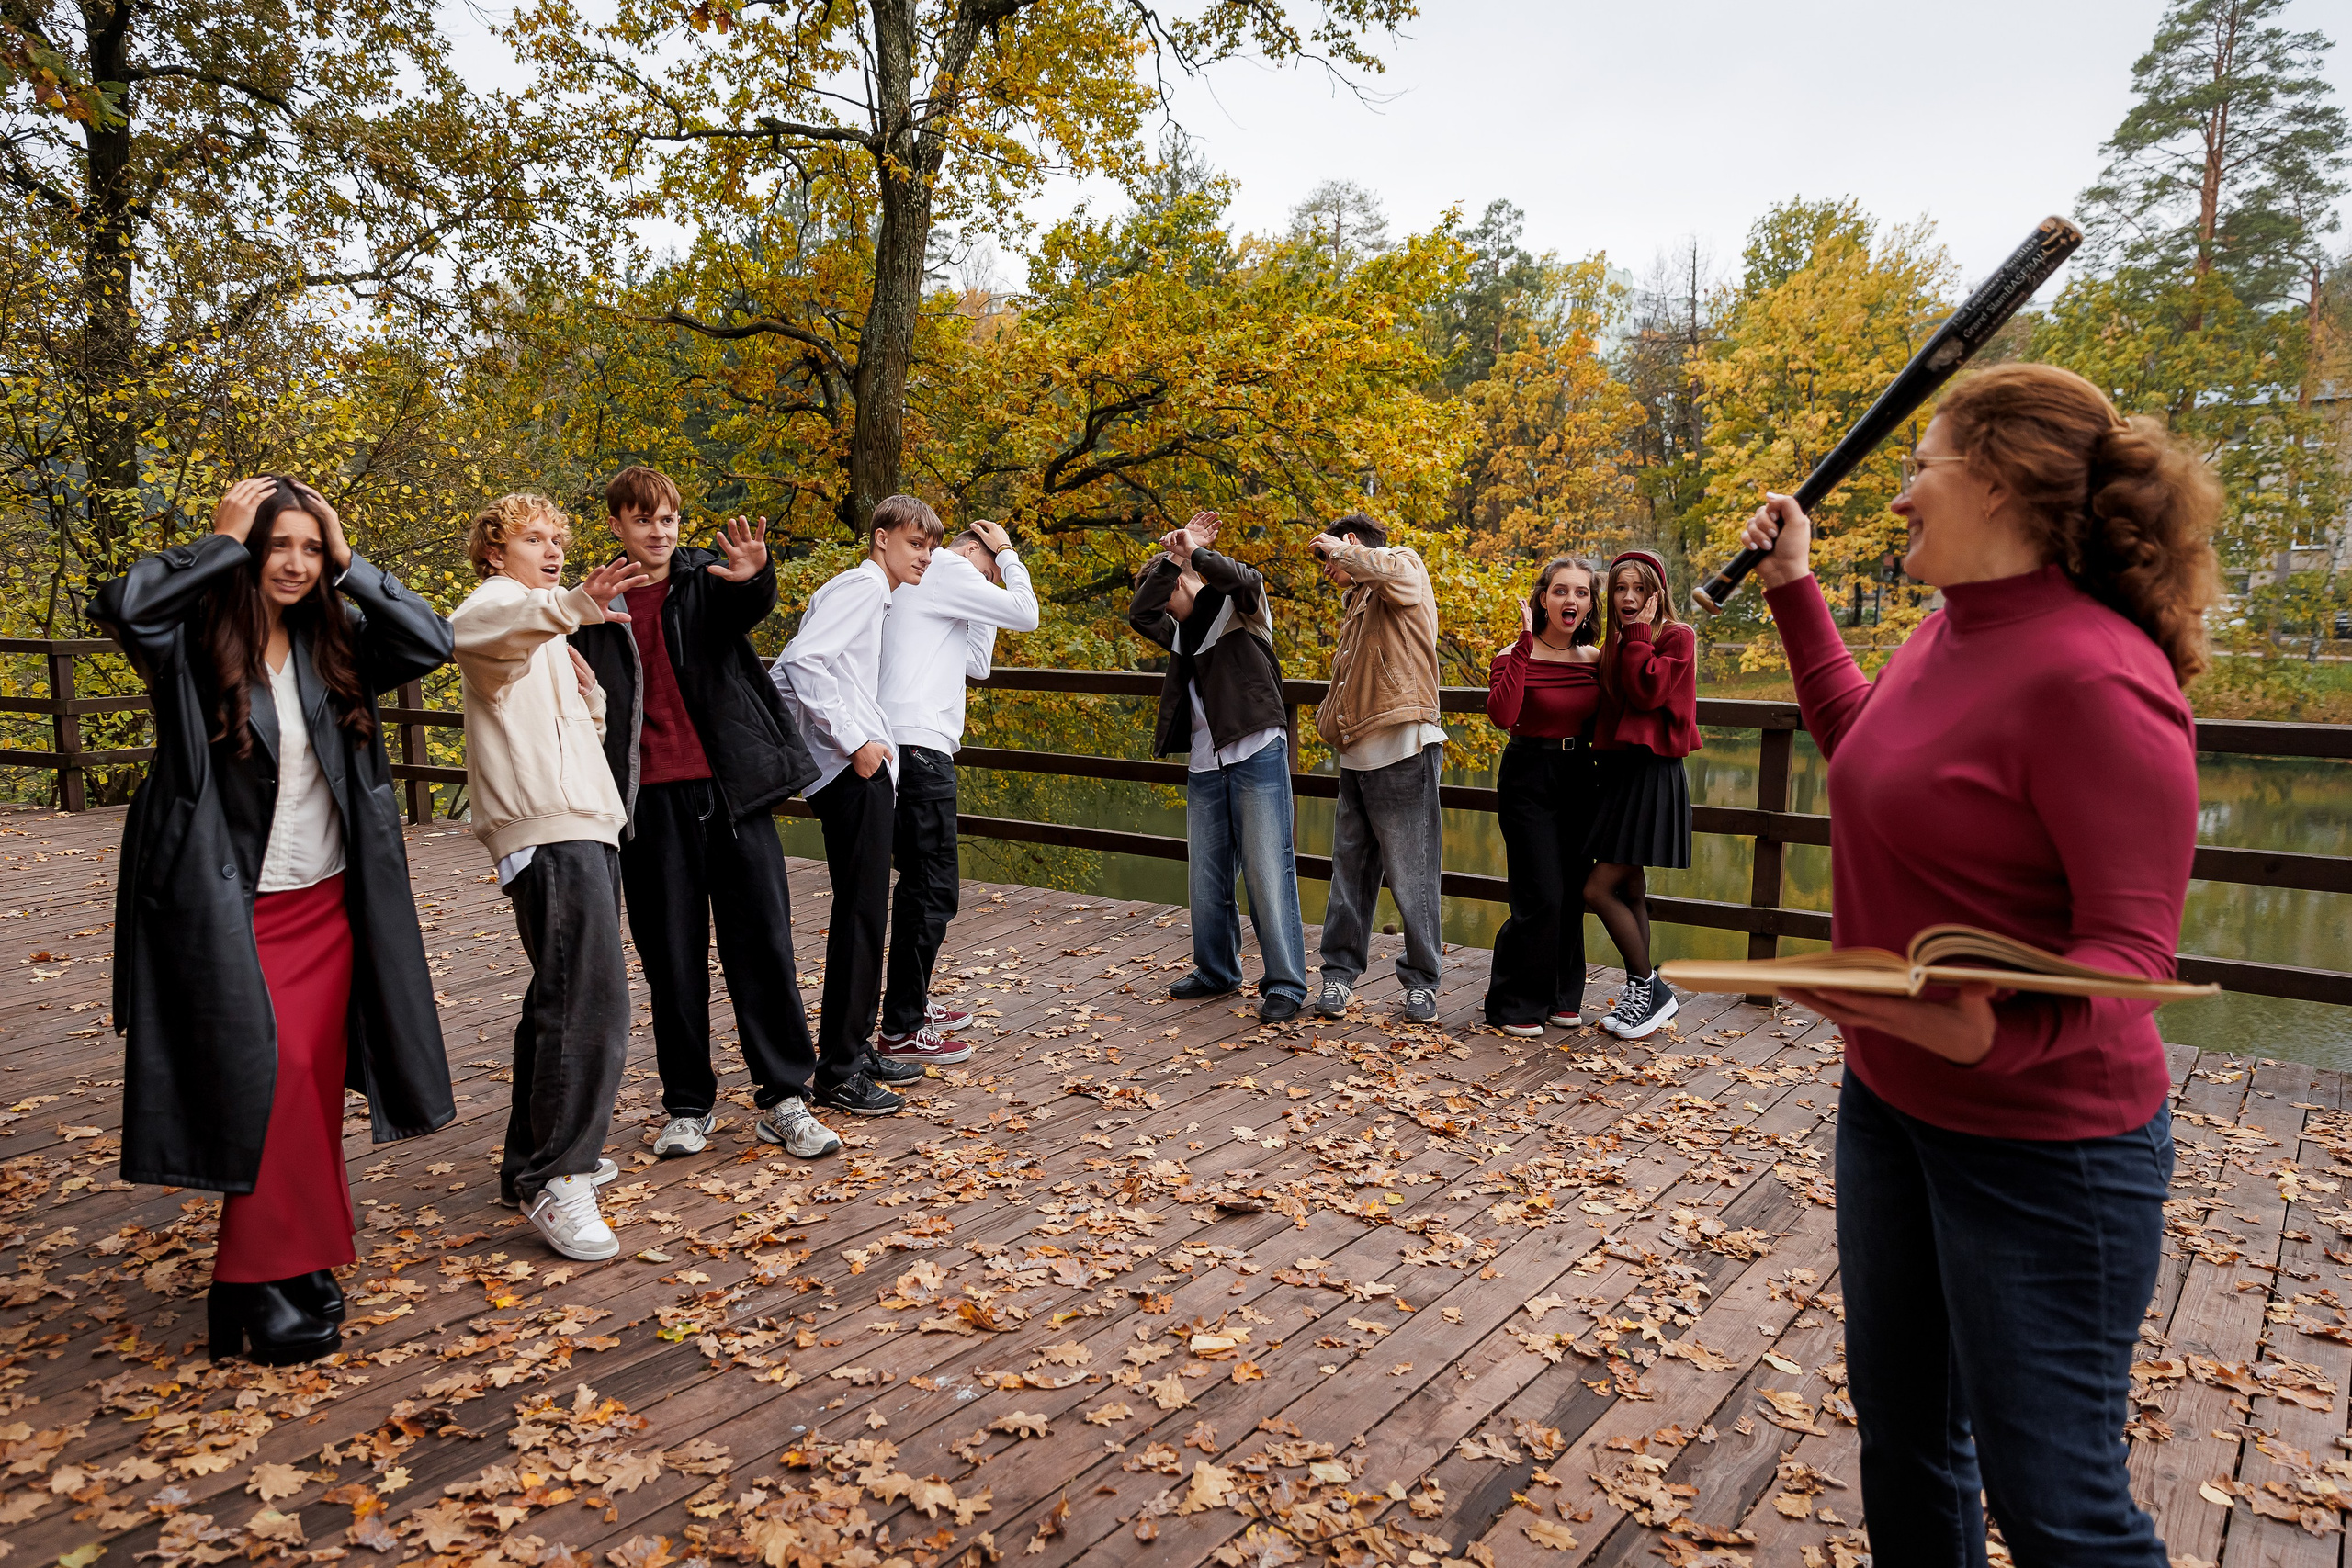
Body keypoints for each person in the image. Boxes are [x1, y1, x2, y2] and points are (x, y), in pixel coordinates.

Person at [1736, 363, 2216, 1565]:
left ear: (1998, 483)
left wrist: (1994, 1031)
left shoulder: (2094, 673)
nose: (1901, 497)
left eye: (1921, 468)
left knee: (2058, 1510)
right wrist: (1793, 589)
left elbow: (2131, 948)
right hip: (1890, 1108)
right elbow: (1867, 749)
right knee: (1907, 1442)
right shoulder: (1951, 628)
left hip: (2045, 1151)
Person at [94, 477, 457, 1365]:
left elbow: (431, 639)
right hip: (231, 910)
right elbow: (125, 603)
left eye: (310, 547)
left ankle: (279, 1272)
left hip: (328, 901)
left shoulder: (339, 643)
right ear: (247, 551)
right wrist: (218, 543)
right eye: (276, 545)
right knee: (276, 1081)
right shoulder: (187, 641)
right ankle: (264, 1275)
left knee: (309, 1089)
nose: (294, 564)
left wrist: (351, 560)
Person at [569, 466, 842, 1162]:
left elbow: (745, 605)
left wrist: (757, 577)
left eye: (668, 519)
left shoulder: (703, 581)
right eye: (643, 520)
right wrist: (571, 617)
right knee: (672, 958)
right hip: (647, 804)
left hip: (731, 794)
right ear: (617, 525)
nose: (659, 532)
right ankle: (688, 1105)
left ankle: (784, 1099)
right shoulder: (596, 602)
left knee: (763, 946)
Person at [451, 494, 650, 1262]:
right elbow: (477, 633)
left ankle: (528, 1165)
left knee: (559, 995)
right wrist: (568, 608)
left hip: (584, 824)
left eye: (557, 538)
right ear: (494, 551)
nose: (553, 549)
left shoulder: (544, 628)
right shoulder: (496, 607)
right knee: (591, 1002)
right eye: (533, 538)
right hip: (548, 830)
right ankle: (558, 1176)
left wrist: (588, 690)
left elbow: (579, 736)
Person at [770, 494, 941, 1114]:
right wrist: (853, 743)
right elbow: (799, 664)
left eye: (931, 547)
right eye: (915, 543)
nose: (924, 556)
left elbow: (797, 669)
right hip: (851, 774)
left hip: (852, 773)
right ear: (881, 538)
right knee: (863, 917)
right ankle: (839, 1069)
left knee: (865, 913)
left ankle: (856, 1049)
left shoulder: (870, 593)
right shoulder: (863, 587)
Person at [1128, 511, 1308, 1024]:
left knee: (1268, 871)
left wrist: (1196, 554)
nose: (1163, 604)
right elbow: (1140, 614)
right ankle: (1217, 971)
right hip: (1207, 762)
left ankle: (1286, 984)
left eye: (1168, 590)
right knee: (1206, 877)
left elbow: (1247, 579)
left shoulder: (1239, 607)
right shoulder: (1178, 631)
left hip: (1257, 751)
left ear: (1184, 583)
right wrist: (1171, 560)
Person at [875, 516, 1040, 1065]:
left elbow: (978, 666)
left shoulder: (940, 582)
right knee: (932, 888)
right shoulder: (946, 566)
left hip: (911, 746)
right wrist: (1008, 556)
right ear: (971, 550)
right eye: (986, 571)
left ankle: (911, 1005)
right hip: (919, 748)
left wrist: (982, 596)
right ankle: (901, 1027)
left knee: (923, 886)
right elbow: (1027, 614)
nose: (988, 582)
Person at [1307, 513, 1446, 1024]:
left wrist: (1340, 551)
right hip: (1357, 753)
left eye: (1327, 558)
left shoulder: (1404, 565)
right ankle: (1339, 975)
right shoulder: (1359, 600)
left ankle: (1422, 983)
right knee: (1349, 875)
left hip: (1404, 748)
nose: (1326, 569)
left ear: (1350, 543)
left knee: (1413, 876)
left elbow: (1394, 573)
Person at [1483, 556, 1604, 1037]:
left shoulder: (1594, 659)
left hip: (1580, 776)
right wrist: (1522, 647)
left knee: (1573, 891)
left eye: (1581, 592)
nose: (1570, 599)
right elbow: (1502, 715)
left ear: (1590, 605)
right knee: (1541, 894)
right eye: (1560, 590)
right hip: (1528, 775)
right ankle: (1514, 1002)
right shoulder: (1514, 653)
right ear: (1543, 599)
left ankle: (1562, 997)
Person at [1582, 550, 1699, 1040]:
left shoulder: (1676, 636)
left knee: (1596, 889)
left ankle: (1652, 989)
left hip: (1651, 773)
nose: (1628, 598)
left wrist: (1637, 637)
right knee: (1629, 887)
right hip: (1617, 775)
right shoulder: (1616, 642)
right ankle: (1641, 993)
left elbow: (1648, 692)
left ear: (1657, 593)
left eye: (1639, 588)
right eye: (1620, 588)